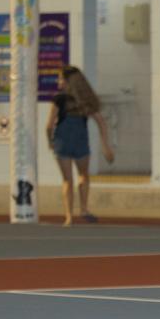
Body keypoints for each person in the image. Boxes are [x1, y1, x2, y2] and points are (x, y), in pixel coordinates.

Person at [45, 65, 115, 225]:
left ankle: (70, 215)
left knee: (68, 179)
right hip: (77, 141)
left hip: (65, 141)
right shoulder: (75, 100)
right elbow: (101, 123)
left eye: (61, 78)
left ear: (69, 82)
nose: (58, 81)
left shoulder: (68, 100)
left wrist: (50, 141)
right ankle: (81, 209)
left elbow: (49, 125)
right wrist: (105, 145)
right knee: (82, 176)